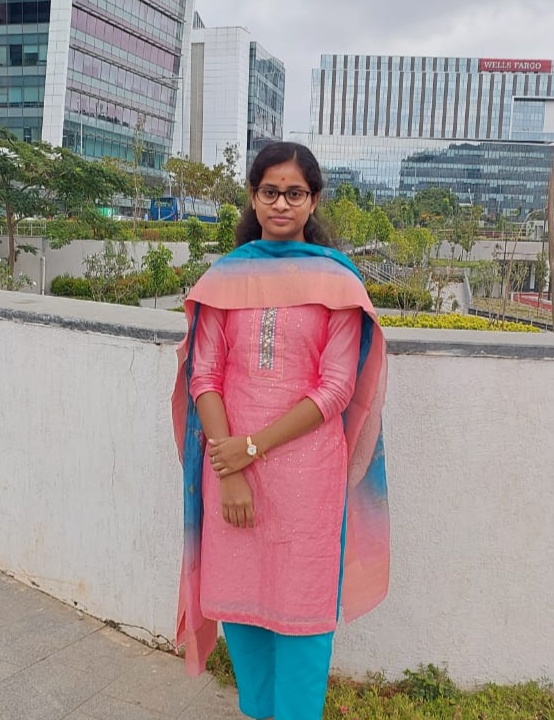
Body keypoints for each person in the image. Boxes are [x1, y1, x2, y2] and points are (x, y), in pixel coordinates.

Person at [172, 142, 389, 720]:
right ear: (253, 196)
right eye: (270, 191)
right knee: (240, 601)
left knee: (304, 608)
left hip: (307, 477)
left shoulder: (336, 282)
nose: (282, 203)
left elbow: (335, 389)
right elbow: (204, 375)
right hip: (230, 469)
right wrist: (232, 467)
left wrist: (250, 449)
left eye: (295, 193)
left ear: (313, 200)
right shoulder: (226, 278)